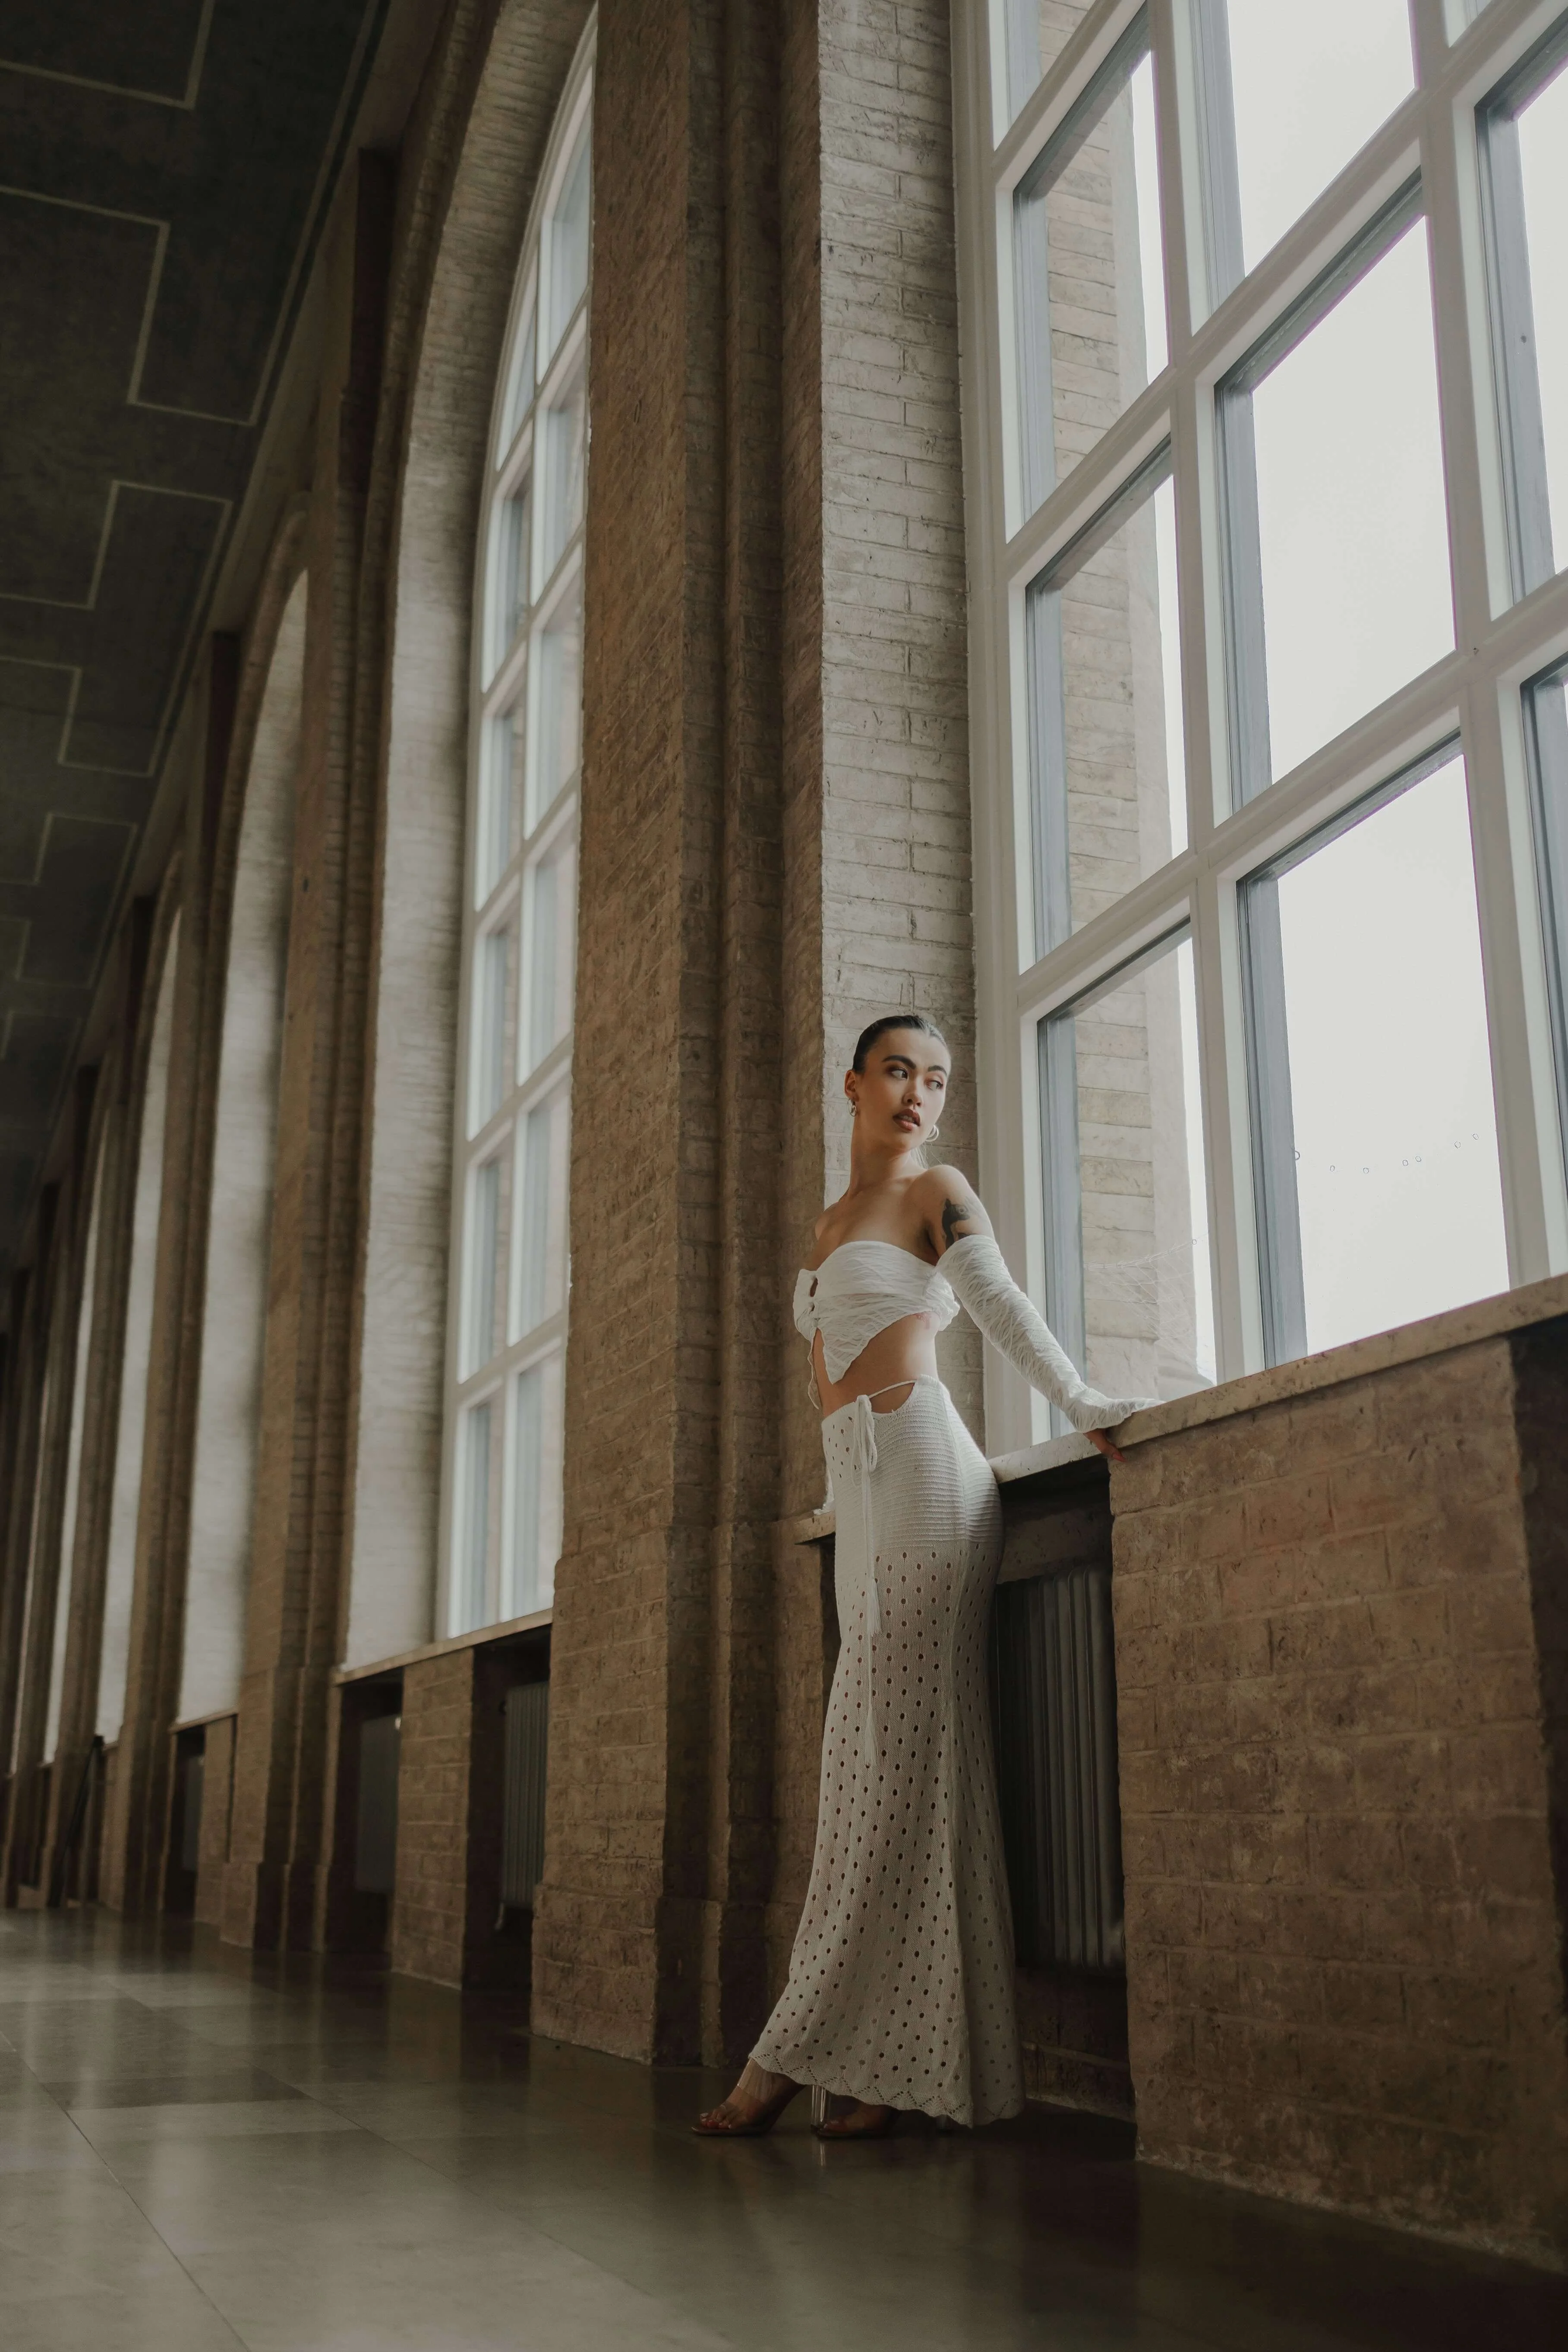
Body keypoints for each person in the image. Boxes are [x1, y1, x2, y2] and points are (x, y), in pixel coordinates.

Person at [694, 1013, 1149, 2141]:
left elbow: (996, 1305)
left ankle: (787, 2060)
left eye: (936, 1079)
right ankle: (879, 2068)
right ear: (853, 1082)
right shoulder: (834, 1219)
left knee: (885, 1774)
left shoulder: (937, 1188)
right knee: (884, 1775)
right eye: (899, 1072)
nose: (919, 1094)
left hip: (929, 1478)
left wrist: (1082, 1400)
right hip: (862, 1501)